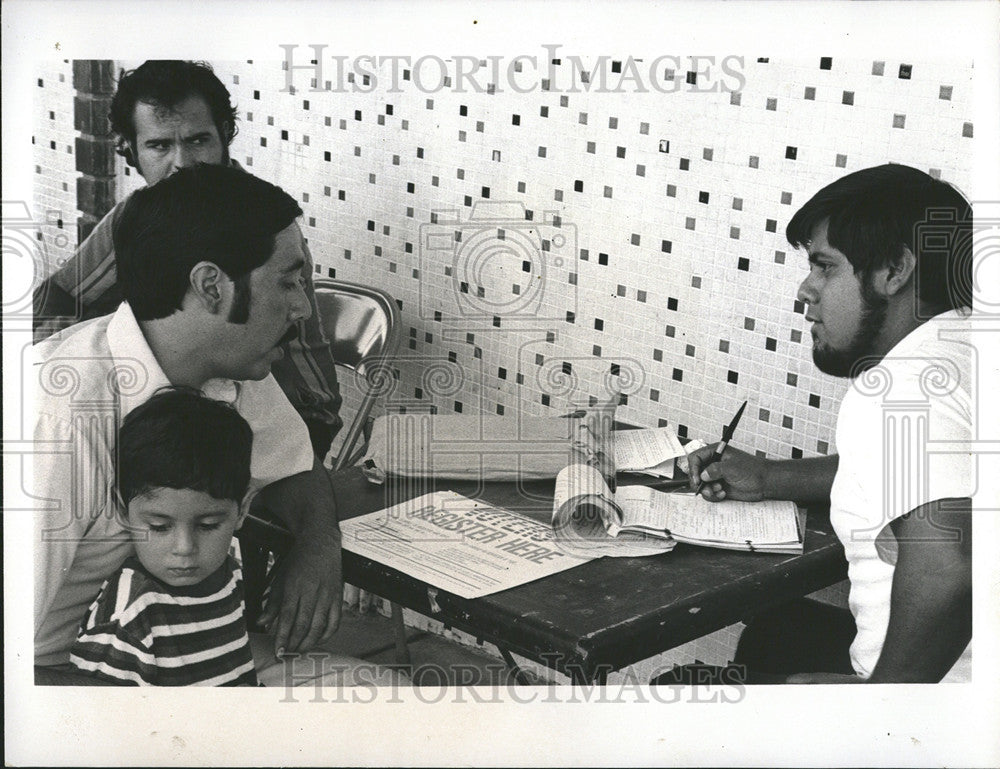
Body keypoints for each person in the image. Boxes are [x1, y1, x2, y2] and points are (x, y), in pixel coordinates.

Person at [34, 164, 368, 686]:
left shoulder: (228, 364)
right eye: (289, 281)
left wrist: (317, 541)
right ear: (212, 286)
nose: (303, 307)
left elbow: (295, 469)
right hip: (61, 685)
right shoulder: (60, 414)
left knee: (377, 696)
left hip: (180, 661)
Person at [679, 164, 974, 684]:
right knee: (779, 632)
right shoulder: (966, 350)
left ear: (893, 271)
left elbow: (946, 567)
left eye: (825, 267)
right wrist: (771, 478)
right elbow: (913, 473)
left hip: (936, 707)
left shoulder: (900, 391)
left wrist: (880, 710)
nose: (805, 290)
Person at [32, 60, 342, 459]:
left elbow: (310, 396)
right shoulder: (136, 218)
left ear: (225, 137)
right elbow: (58, 296)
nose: (182, 162)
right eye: (160, 145)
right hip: (162, 421)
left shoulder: (267, 227)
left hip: (276, 428)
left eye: (198, 140)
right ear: (131, 150)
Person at [70, 387, 259, 686]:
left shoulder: (230, 565)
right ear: (122, 509)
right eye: (159, 526)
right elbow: (102, 715)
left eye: (208, 525)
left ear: (242, 510)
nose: (184, 549)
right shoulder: (130, 613)